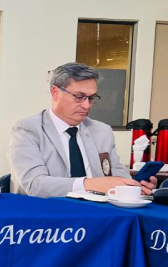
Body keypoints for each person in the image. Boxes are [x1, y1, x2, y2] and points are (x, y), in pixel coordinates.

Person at [9, 62, 156, 197]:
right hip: (45, 213)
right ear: (55, 92)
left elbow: (118, 177)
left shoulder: (102, 131)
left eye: (91, 98)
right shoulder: (27, 130)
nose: (87, 105)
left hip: (98, 211)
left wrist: (135, 187)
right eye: (79, 97)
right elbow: (34, 185)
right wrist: (90, 184)